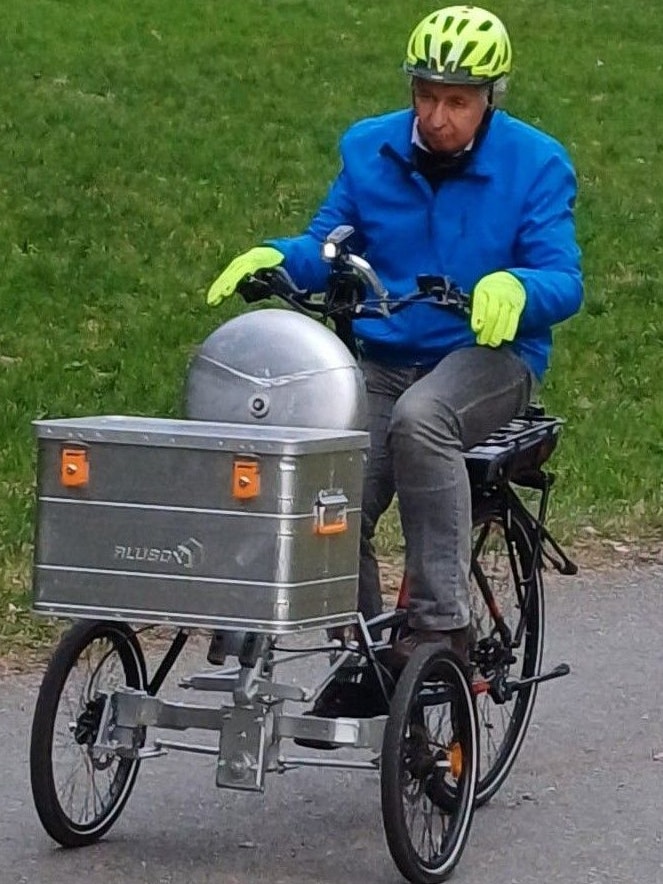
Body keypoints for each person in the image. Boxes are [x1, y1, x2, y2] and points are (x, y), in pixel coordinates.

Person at [206, 5, 583, 669]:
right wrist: (276, 256)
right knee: (327, 484)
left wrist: (519, 288)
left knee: (422, 420)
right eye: (425, 96)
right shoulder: (368, 147)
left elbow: (563, 279)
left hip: (490, 357)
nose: (437, 117)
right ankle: (358, 642)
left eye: (457, 102)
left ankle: (441, 624)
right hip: (384, 356)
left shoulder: (535, 163)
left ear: (489, 100)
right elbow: (329, 242)